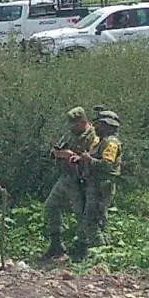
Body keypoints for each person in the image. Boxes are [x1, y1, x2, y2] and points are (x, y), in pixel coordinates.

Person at [42, 107, 99, 261]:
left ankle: (83, 248)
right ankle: (56, 245)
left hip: (80, 180)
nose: (72, 127)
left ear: (83, 122)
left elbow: (92, 159)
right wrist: (60, 153)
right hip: (65, 177)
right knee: (51, 205)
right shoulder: (71, 134)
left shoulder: (93, 137)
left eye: (75, 124)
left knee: (81, 214)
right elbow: (54, 151)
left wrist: (73, 156)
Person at [75, 110, 123, 262]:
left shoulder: (111, 143)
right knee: (99, 220)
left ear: (107, 126)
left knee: (92, 221)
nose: (95, 128)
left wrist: (89, 160)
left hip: (102, 186)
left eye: (99, 125)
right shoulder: (101, 141)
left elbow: (107, 165)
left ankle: (100, 257)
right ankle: (104, 253)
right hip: (95, 184)